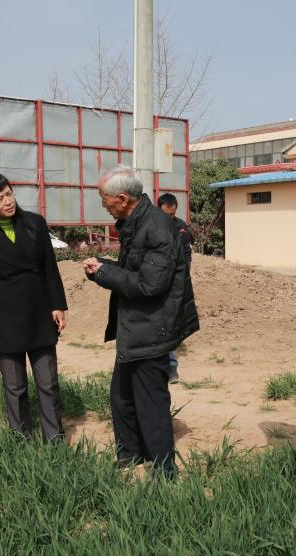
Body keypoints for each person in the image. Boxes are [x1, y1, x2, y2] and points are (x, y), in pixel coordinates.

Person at [83, 165, 199, 477]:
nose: (103, 204)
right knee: (122, 397)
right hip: (136, 326)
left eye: (104, 198)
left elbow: (150, 285)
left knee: (150, 402)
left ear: (122, 199)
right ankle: (131, 456)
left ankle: (163, 471)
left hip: (152, 327)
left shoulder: (157, 227)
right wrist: (102, 267)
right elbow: (135, 271)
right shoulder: (136, 223)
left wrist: (104, 273)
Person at [0, 172, 68, 441]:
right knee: (15, 386)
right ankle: (20, 440)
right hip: (4, 319)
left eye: (9, 194)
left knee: (48, 382)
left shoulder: (35, 223)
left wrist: (57, 305)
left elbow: (50, 268)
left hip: (39, 313)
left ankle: (54, 440)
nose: (8, 201)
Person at [157, 193, 192, 384]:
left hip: (175, 284)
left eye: (173, 214)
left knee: (170, 325)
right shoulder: (152, 226)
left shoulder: (181, 227)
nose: (170, 218)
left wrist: (182, 279)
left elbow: (186, 256)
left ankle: (171, 366)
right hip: (156, 283)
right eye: (166, 214)